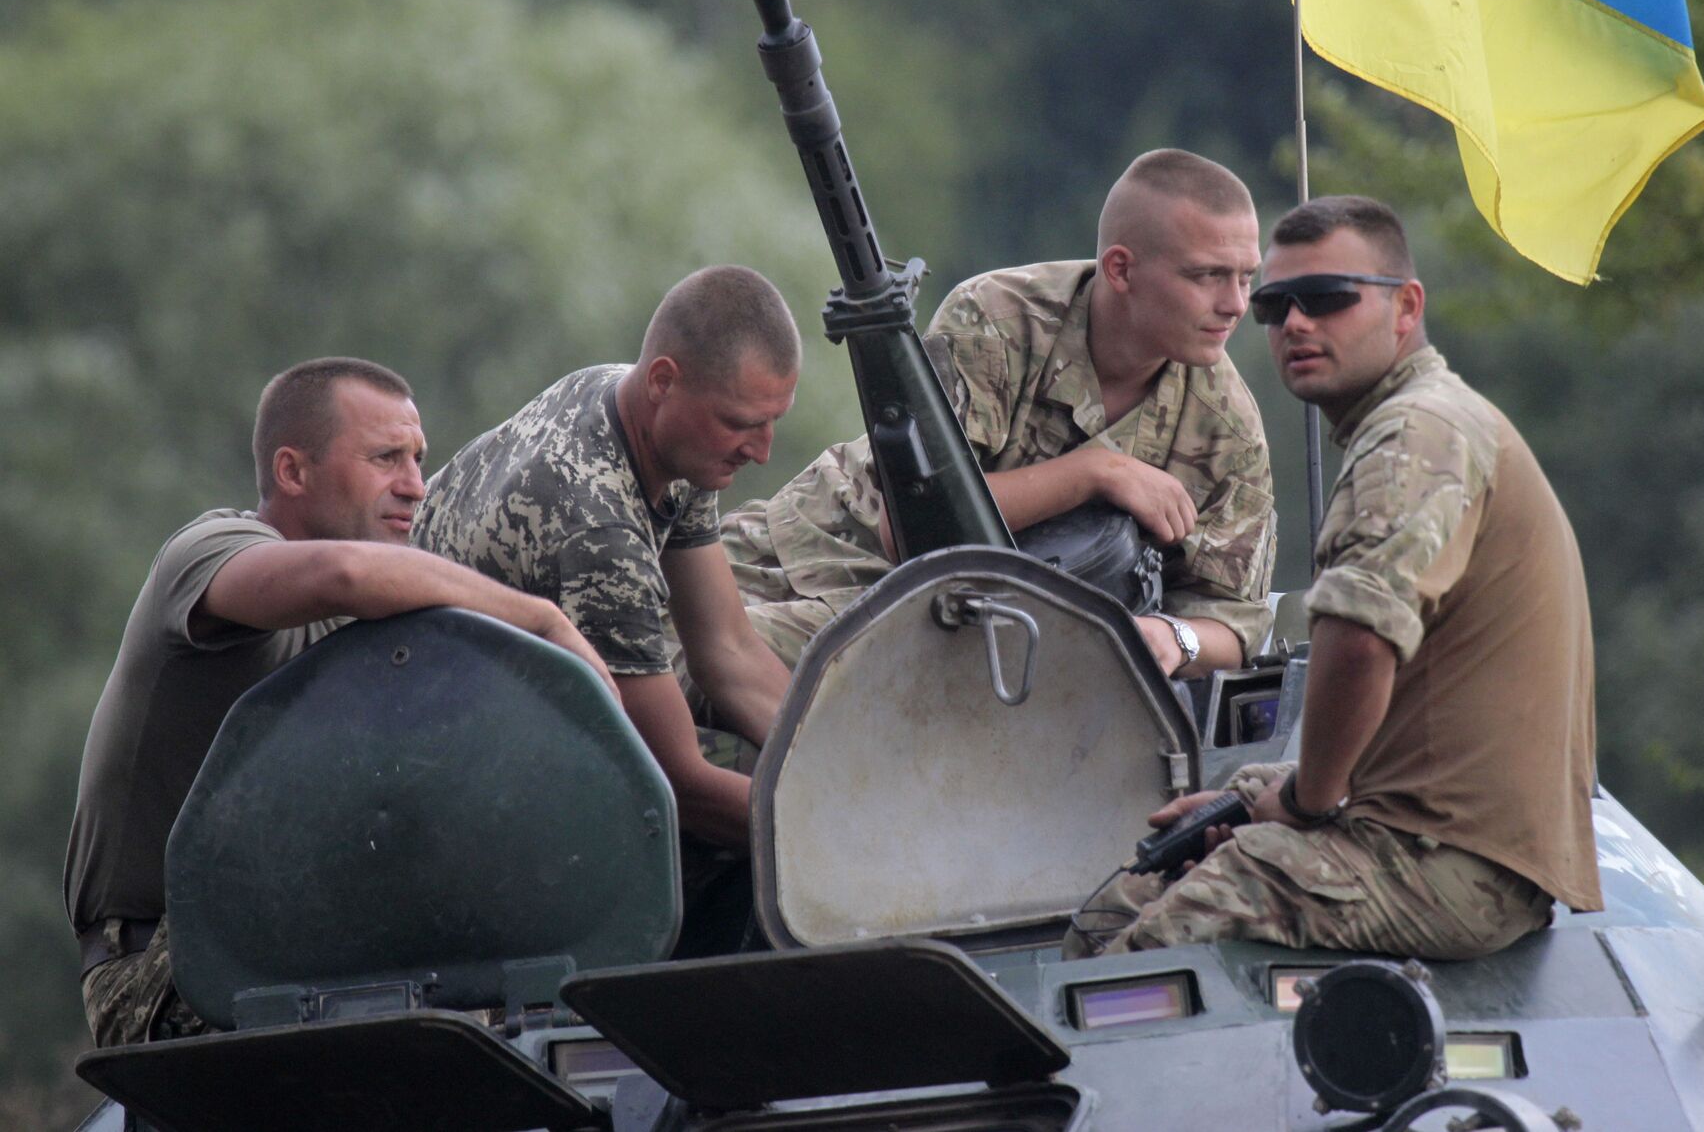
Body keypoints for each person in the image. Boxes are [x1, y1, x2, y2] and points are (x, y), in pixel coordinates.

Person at [1068, 195, 1601, 961]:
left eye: (1327, 299)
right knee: (1134, 887)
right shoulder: (1420, 423)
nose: (1295, 325)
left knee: (1138, 958)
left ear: (1405, 307)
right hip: (1411, 834)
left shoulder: (1416, 435)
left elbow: (1358, 640)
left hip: (1456, 866)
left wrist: (1304, 800)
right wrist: (1268, 794)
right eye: (1276, 305)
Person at [65, 357, 617, 1048]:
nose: (415, 486)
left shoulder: (377, 631)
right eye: (386, 458)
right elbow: (344, 572)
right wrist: (542, 619)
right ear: (294, 471)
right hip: (169, 968)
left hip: (309, 948)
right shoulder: (209, 553)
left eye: (419, 460)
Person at [722, 149, 1278, 678]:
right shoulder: (1000, 319)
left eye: (1246, 277)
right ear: (1121, 270)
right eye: (1207, 276)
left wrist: (1173, 636)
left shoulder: (1226, 428)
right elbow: (917, 530)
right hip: (823, 553)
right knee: (666, 656)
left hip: (971, 642)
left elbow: (1238, 622)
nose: (1234, 304)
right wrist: (1096, 473)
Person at [410, 266, 799, 943]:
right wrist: (847, 826)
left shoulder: (650, 415)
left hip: (521, 704)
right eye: (742, 424)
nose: (762, 453)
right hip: (449, 767)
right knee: (752, 789)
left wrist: (844, 759)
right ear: (663, 382)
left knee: (790, 762)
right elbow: (675, 782)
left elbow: (729, 652)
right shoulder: (599, 531)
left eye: (771, 424)